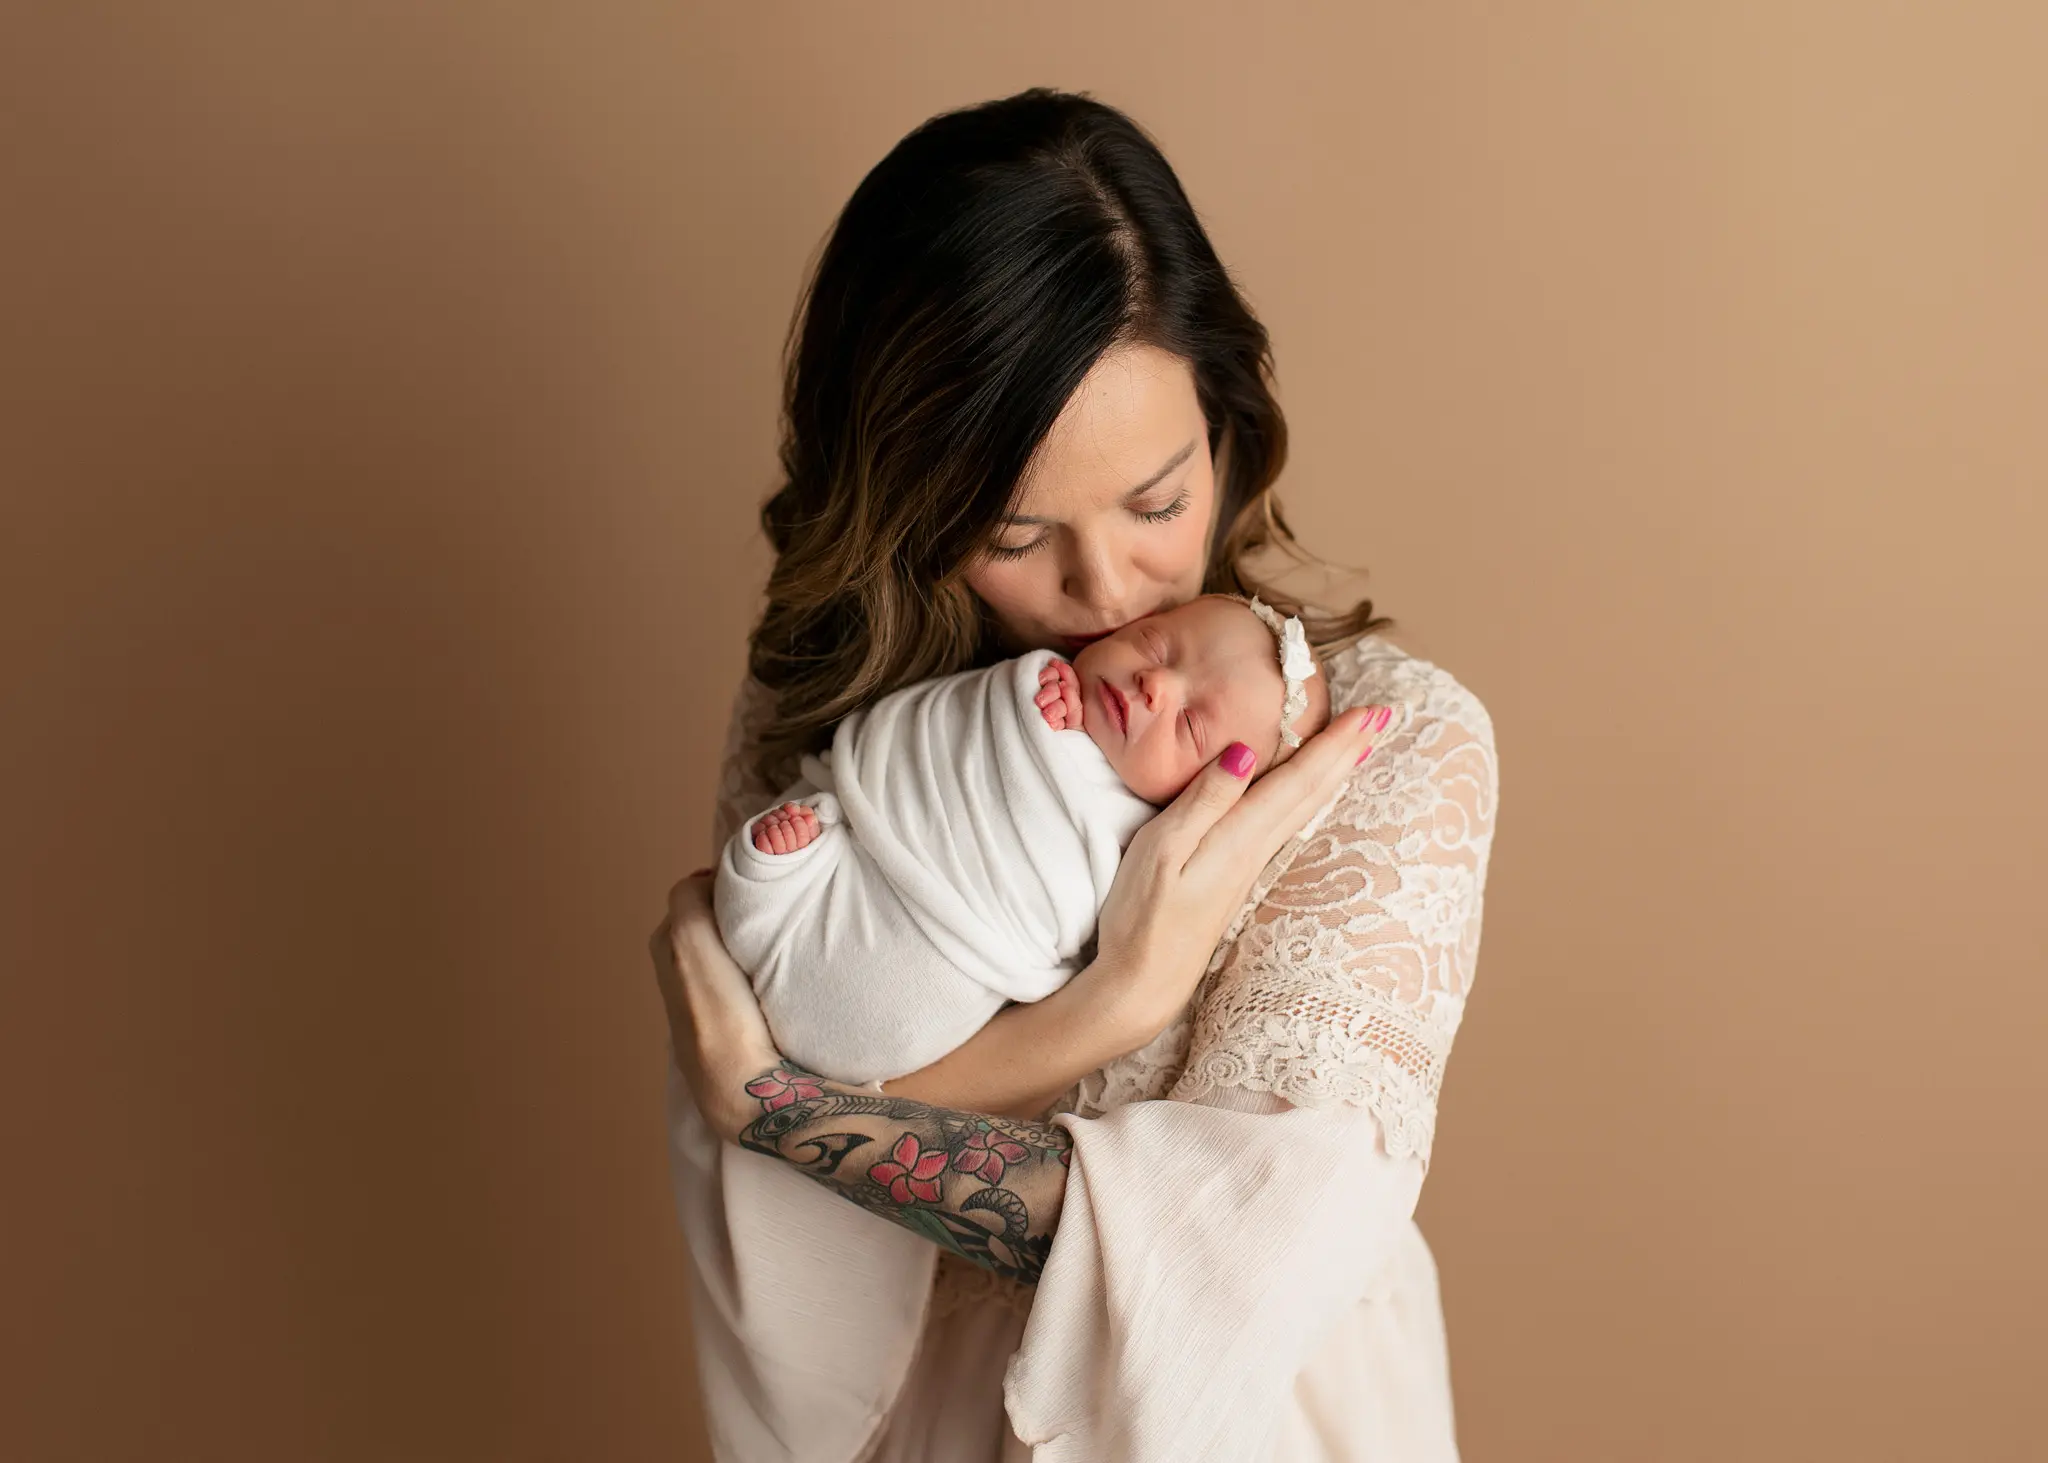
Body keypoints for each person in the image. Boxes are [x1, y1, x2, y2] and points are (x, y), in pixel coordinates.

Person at [654, 86, 1500, 1462]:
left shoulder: (1390, 747)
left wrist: (780, 1107)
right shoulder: (832, 706)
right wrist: (1106, 1004)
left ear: (1226, 428)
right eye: (1011, 529)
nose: (1102, 587)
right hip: (917, 1414)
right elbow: (802, 1171)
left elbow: (1254, 1245)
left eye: (1158, 502)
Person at [715, 593, 1372, 1094]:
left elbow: (1107, 912)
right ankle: (765, 890)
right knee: (783, 847)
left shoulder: (1143, 836)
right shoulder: (1045, 688)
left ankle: (804, 953)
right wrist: (1021, 704)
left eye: (1191, 725)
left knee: (902, 1004)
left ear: (1204, 791)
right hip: (850, 867)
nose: (1155, 684)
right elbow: (961, 724)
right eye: (1156, 645)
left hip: (936, 967)